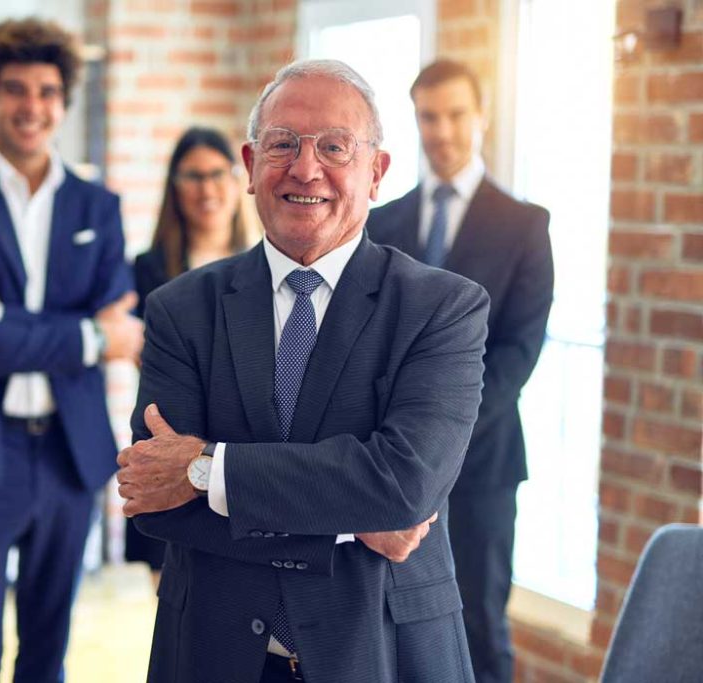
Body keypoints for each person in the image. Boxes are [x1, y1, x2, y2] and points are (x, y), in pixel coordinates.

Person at [116, 59, 488, 683]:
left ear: (376, 172)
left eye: (334, 147)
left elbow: (403, 487)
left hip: (382, 651)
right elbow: (156, 500)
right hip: (215, 652)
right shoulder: (180, 308)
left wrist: (207, 468)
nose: (305, 168)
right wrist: (347, 521)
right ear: (250, 165)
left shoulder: (442, 308)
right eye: (282, 143)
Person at [0, 17, 142, 683]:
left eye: (46, 91)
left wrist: (2, 316)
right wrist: (87, 335)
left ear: (64, 104)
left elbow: (121, 316)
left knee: (49, 652)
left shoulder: (98, 207)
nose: (32, 107)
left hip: (69, 454)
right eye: (14, 89)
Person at [366, 59, 553, 683]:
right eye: (427, 117)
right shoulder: (384, 221)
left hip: (482, 467)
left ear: (482, 117)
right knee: (391, 621)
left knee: (477, 627)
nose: (441, 131)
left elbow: (517, 354)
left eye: (455, 115)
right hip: (388, 465)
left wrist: (438, 436)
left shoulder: (525, 225)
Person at [125, 126, 253, 574]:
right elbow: (143, 353)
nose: (207, 189)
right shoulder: (149, 268)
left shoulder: (264, 265)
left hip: (243, 448)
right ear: (175, 187)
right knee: (171, 595)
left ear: (239, 180)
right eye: (193, 177)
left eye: (218, 174)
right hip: (170, 440)